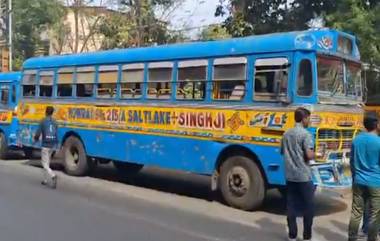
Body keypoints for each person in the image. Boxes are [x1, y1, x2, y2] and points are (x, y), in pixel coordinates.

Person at [281, 107, 316, 241]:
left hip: (290, 175)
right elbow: (308, 155)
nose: (309, 121)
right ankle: (307, 236)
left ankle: (292, 235)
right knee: (309, 207)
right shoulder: (306, 135)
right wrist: (316, 154)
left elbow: (283, 152)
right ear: (303, 119)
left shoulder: (286, 134)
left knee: (291, 206)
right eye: (308, 118)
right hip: (303, 176)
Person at [348, 113, 380, 241]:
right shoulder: (378, 142)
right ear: (376, 124)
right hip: (375, 182)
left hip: (358, 181)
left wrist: (355, 176)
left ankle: (352, 238)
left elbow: (351, 161)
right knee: (375, 214)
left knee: (356, 213)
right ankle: (371, 239)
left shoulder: (356, 140)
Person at [34, 106, 58, 189]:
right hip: (52, 144)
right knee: (47, 163)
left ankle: (53, 176)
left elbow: (38, 133)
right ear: (52, 113)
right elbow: (56, 131)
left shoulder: (43, 121)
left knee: (44, 164)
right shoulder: (55, 122)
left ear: (46, 112)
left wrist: (35, 139)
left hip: (45, 145)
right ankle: (45, 180)